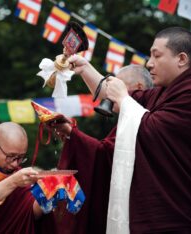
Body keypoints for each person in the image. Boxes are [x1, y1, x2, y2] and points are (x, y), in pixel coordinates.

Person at [64, 26, 191, 233]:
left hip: (190, 215)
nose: (149, 64)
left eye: (157, 56)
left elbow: (153, 129)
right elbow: (108, 96)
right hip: (162, 212)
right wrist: (85, 68)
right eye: (150, 56)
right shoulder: (161, 93)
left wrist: (123, 98)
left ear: (181, 59)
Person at [48, 64, 153, 234]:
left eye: (118, 85)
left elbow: (104, 155)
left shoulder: (147, 118)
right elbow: (107, 152)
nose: (110, 94)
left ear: (138, 87)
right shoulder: (127, 119)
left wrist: (72, 134)